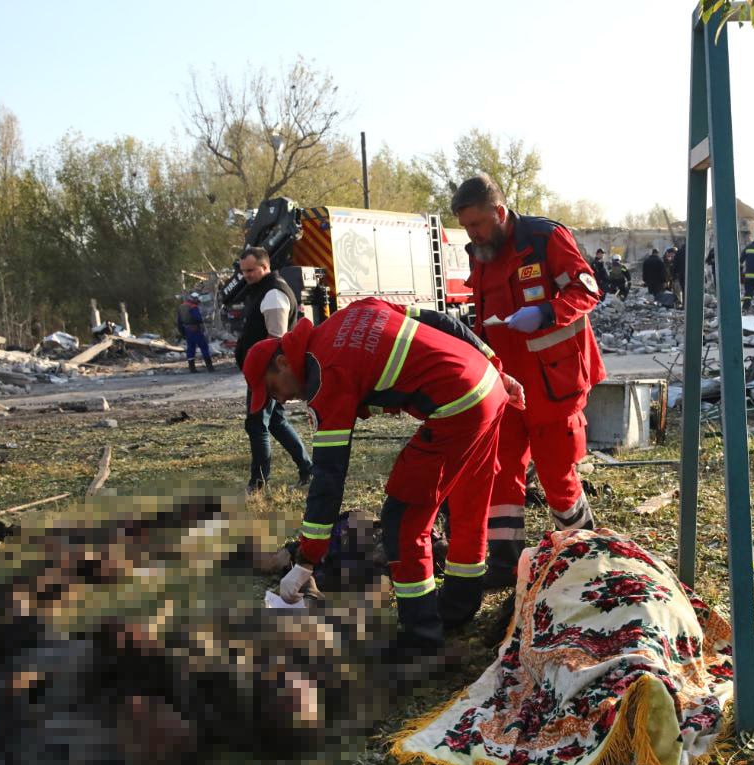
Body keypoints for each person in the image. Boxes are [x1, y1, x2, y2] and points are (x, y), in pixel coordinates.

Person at [241, 297, 525, 661]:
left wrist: (305, 562)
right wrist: (494, 366)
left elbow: (328, 477)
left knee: (403, 519)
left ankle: (422, 637)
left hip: (458, 403)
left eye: (273, 389)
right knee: (467, 500)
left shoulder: (326, 379)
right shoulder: (350, 315)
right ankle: (459, 604)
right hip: (485, 384)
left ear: (282, 362)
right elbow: (440, 320)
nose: (279, 400)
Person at [452, 174, 606, 590]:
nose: (473, 234)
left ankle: (582, 557)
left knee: (558, 477)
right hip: (507, 386)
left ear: (500, 213)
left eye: (478, 225)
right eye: (466, 227)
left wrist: (548, 312)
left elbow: (587, 290)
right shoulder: (481, 253)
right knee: (502, 473)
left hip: (555, 384)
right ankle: (506, 565)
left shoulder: (544, 238)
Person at [234, 247, 311, 493]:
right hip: (264, 374)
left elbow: (275, 340)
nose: (246, 275)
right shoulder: (263, 291)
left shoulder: (273, 295)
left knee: (257, 425)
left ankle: (258, 483)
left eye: (251, 270)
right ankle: (308, 469)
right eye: (243, 271)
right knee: (275, 421)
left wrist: (264, 377)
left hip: (269, 375)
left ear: (265, 267)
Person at [177, 292, 214, 373]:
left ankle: (192, 368)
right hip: (196, 330)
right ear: (194, 299)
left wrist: (182, 332)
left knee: (190, 349)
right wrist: (205, 319)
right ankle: (210, 367)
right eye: (197, 299)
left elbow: (179, 321)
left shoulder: (181, 306)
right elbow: (198, 318)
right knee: (204, 347)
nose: (198, 301)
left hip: (187, 330)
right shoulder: (193, 307)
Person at [671, 242, 686, 306]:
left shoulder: (679, 252)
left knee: (683, 289)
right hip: (691, 275)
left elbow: (675, 264)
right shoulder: (692, 252)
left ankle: (684, 304)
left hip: (681, 274)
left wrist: (674, 274)